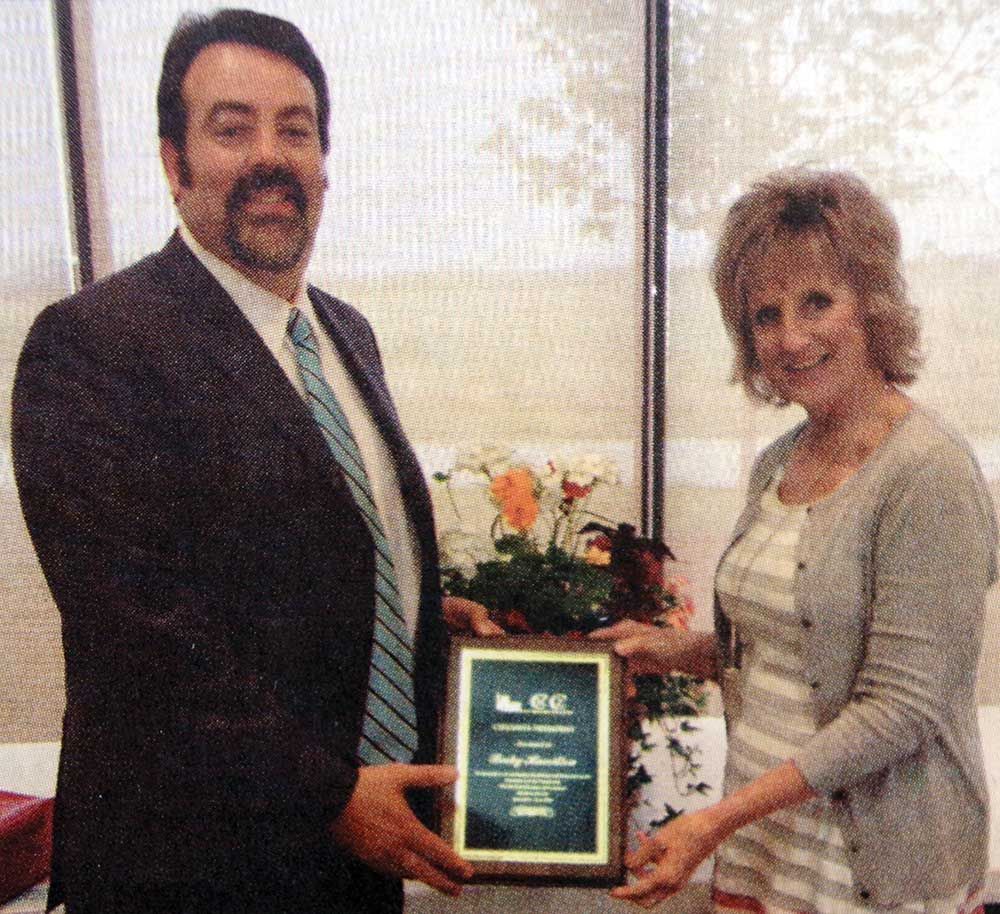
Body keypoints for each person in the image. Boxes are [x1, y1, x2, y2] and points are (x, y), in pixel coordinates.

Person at [12, 9, 500, 914]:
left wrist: (416, 615)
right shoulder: (92, 345)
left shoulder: (347, 334)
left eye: (297, 128)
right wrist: (328, 797)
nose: (270, 156)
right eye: (232, 128)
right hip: (191, 874)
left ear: (324, 162)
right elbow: (142, 634)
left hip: (353, 870)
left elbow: (285, 564)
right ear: (173, 162)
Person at [593, 168, 996, 912]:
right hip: (767, 837)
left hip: (869, 864)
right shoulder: (781, 458)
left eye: (817, 301)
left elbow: (899, 707)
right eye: (765, 315)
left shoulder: (929, 473)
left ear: (871, 303)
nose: (792, 337)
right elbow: (803, 653)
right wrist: (681, 651)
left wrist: (713, 823)